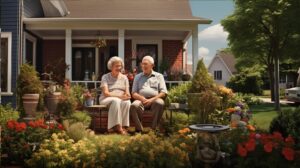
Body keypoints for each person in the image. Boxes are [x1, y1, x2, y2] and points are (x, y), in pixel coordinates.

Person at [130, 56, 168, 132]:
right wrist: (142, 98)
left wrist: (151, 100)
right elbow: (133, 93)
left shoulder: (159, 76)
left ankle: (154, 129)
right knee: (134, 105)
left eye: (146, 64)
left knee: (160, 103)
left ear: (152, 65)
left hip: (154, 100)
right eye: (142, 64)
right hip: (141, 99)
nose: (143, 66)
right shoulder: (137, 77)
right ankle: (139, 129)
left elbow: (163, 92)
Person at [99, 56, 131, 134]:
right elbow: (106, 93)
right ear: (111, 67)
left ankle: (123, 126)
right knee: (116, 101)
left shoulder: (124, 78)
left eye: (120, 66)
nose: (119, 68)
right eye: (116, 66)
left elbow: (128, 93)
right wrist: (119, 96)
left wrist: (127, 96)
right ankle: (117, 127)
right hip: (106, 98)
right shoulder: (105, 77)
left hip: (120, 99)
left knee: (127, 102)